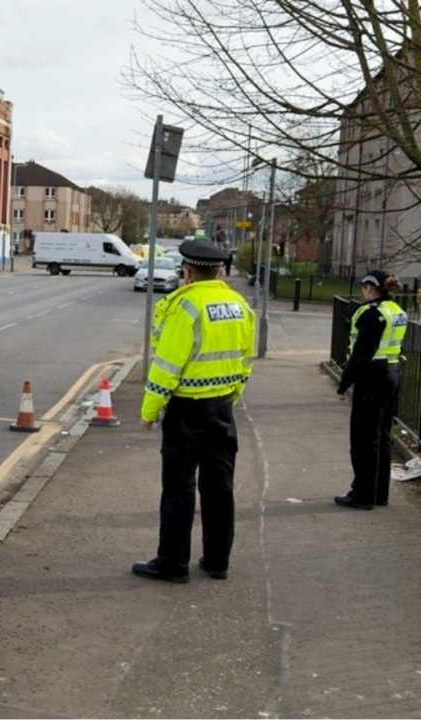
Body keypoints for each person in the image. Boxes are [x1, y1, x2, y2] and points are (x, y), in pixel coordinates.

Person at [133, 240, 256, 584]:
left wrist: (149, 410)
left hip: (186, 409)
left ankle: (173, 563)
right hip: (222, 408)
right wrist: (232, 395)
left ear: (187, 271)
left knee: (178, 487)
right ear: (219, 271)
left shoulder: (185, 306)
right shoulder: (238, 303)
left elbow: (167, 366)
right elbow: (245, 360)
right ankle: (218, 561)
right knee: (220, 487)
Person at [335, 270, 407, 510]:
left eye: (363, 287)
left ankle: (362, 494)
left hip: (372, 378)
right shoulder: (396, 311)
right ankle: (379, 493)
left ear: (369, 288)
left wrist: (343, 385)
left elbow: (361, 354)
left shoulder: (372, 314)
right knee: (382, 436)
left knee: (364, 438)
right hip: (392, 374)